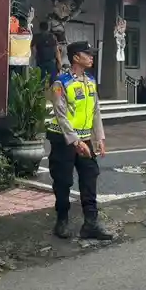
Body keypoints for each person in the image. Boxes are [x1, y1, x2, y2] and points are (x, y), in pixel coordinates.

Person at [46, 41, 113, 241]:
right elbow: (60, 114)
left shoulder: (90, 81)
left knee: (90, 177)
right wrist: (75, 142)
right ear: (76, 57)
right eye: (88, 54)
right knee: (63, 181)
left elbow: (96, 111)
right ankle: (62, 221)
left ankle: (91, 224)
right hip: (63, 139)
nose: (92, 57)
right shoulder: (61, 83)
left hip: (85, 139)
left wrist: (99, 137)